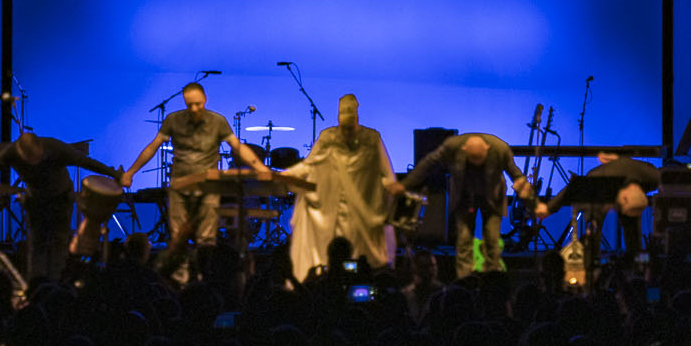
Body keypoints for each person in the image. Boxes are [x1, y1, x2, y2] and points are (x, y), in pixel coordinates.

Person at [121, 81, 271, 277]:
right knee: (178, 238)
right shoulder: (173, 120)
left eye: (198, 104)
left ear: (205, 100)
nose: (194, 109)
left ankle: (205, 279)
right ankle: (179, 282)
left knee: (206, 239)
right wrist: (131, 172)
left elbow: (238, 147)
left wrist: (260, 167)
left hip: (208, 186)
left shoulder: (218, 121)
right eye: (189, 104)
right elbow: (153, 147)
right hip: (180, 186)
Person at [0, 131, 123, 284]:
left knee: (59, 242)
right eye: (29, 160)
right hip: (36, 201)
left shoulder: (55, 148)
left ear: (40, 148)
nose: (33, 163)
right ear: (20, 153)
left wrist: (116, 175)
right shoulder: (13, 152)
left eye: (36, 158)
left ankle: (57, 285)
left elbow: (86, 162)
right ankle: (36, 287)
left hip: (60, 199)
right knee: (37, 244)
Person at [281, 94, 403, 281]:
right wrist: (287, 174)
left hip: (363, 210)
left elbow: (385, 174)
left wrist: (392, 187)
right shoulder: (328, 137)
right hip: (333, 210)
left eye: (350, 128)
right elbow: (309, 165)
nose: (346, 133)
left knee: (360, 258)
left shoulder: (371, 138)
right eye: (343, 129)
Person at [401, 132, 529, 279]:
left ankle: (493, 280)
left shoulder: (500, 149)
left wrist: (533, 202)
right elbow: (428, 163)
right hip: (465, 196)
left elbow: (516, 175)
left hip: (492, 196)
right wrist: (405, 185)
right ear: (463, 150)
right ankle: (464, 281)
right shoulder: (452, 147)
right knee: (464, 240)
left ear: (487, 149)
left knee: (492, 241)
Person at [535, 151, 660, 258]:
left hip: (626, 177)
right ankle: (591, 264)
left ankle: (636, 262)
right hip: (599, 191)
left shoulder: (652, 177)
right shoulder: (598, 179)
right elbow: (573, 188)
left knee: (632, 232)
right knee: (593, 231)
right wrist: (548, 208)